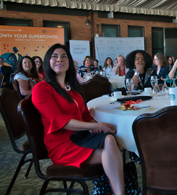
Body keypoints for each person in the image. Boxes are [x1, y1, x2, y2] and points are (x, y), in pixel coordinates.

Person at [32, 44, 124, 195]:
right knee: (111, 151)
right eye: (54, 56)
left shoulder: (72, 89)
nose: (59, 59)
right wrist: (98, 125)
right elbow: (61, 121)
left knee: (109, 139)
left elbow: (86, 116)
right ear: (47, 61)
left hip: (81, 137)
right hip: (62, 144)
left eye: (64, 56)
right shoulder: (42, 88)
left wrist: (99, 126)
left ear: (69, 62)